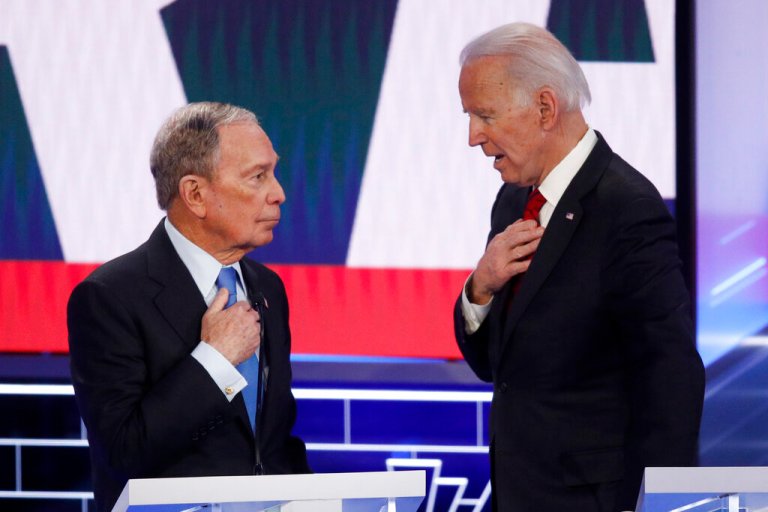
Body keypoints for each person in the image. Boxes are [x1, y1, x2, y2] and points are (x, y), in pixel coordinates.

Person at [453, 23, 704, 512]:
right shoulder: (512, 203)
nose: (473, 137)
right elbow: (495, 368)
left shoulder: (627, 208)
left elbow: (670, 375)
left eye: (485, 115)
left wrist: (664, 504)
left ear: (546, 108)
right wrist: (480, 289)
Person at [68, 102, 310, 512]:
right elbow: (124, 452)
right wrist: (215, 360)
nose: (279, 193)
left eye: (274, 172)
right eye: (258, 177)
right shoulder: (109, 296)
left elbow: (272, 443)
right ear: (195, 194)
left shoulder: (267, 287)